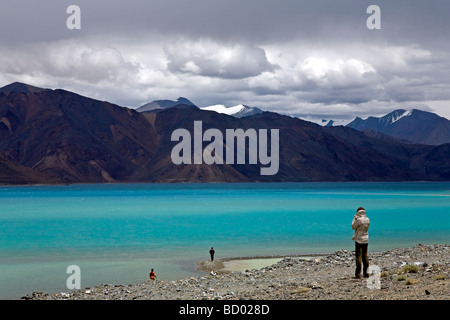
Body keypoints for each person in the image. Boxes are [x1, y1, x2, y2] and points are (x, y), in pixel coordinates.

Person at [352, 207, 370, 279]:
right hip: (366, 239)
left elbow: (353, 226)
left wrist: (354, 219)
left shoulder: (359, 220)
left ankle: (358, 273)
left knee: (358, 256)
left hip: (359, 239)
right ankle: (366, 273)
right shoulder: (367, 219)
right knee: (365, 256)